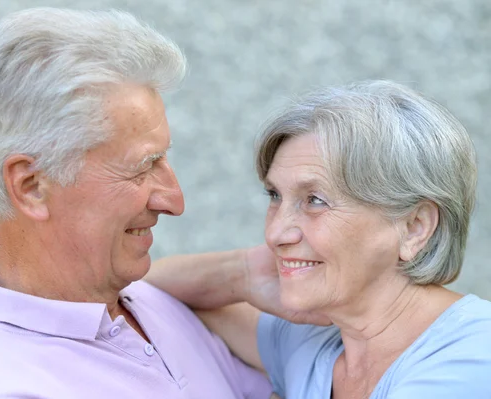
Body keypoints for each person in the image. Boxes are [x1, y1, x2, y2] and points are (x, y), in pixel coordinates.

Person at [0, 8, 274, 399]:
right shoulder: (4, 389)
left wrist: (239, 275)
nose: (174, 200)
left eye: (164, 158)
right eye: (142, 167)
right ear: (31, 186)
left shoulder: (152, 302)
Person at [145, 80, 491, 398]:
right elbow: (142, 291)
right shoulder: (318, 343)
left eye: (315, 201)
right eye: (275, 197)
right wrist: (244, 273)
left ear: (415, 227)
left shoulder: (473, 355)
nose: (276, 233)